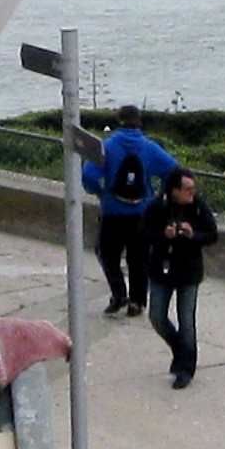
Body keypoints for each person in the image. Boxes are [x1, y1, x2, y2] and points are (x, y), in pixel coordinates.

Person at [85, 105, 178, 316]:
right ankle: (138, 302)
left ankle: (119, 294)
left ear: (119, 120)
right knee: (139, 259)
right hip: (142, 212)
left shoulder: (106, 147)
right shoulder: (149, 147)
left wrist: (99, 193)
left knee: (107, 254)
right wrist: (160, 194)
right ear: (139, 121)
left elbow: (89, 176)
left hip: (113, 212)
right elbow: (174, 170)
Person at [145, 170, 219, 388]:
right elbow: (144, 233)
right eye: (187, 189)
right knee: (157, 316)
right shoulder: (158, 206)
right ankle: (180, 349)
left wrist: (192, 235)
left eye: (193, 189)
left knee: (187, 321)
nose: (191, 193)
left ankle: (186, 368)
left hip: (189, 271)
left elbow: (212, 235)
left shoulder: (198, 206)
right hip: (162, 268)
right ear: (174, 190)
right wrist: (163, 235)